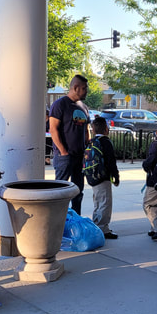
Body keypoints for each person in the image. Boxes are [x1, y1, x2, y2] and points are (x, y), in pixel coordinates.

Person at [49, 75, 90, 214]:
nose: (86, 91)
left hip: (80, 156)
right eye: (84, 88)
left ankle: (75, 219)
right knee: (60, 192)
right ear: (75, 88)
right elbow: (53, 129)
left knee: (78, 191)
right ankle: (58, 220)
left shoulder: (83, 107)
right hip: (64, 157)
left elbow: (86, 129)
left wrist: (87, 147)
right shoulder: (60, 104)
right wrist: (63, 151)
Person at [89, 117, 120, 239]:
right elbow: (111, 161)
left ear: (93, 130)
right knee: (105, 202)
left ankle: (97, 224)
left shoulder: (91, 142)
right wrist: (115, 176)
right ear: (106, 129)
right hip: (103, 177)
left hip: (92, 176)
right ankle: (103, 229)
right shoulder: (105, 142)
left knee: (97, 201)